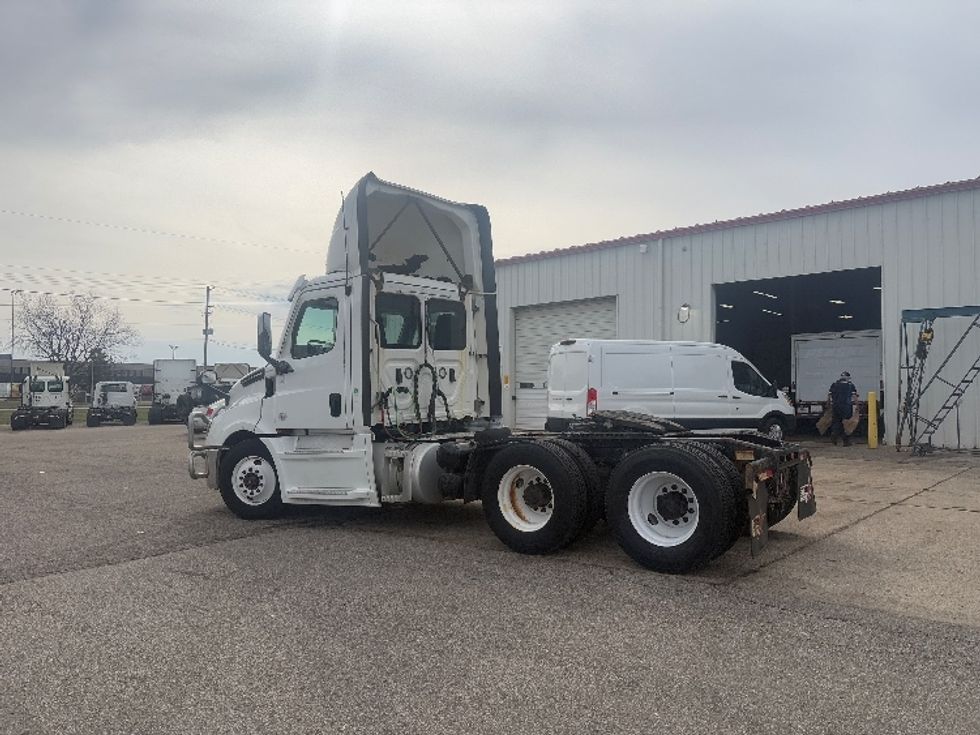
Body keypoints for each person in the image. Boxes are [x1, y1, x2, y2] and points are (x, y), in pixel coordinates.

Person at [827, 371, 859, 446]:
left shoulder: (834, 385)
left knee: (836, 422)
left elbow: (829, 396)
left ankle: (834, 434)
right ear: (848, 378)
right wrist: (857, 406)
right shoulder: (850, 386)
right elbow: (854, 397)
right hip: (846, 407)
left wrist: (828, 404)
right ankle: (846, 441)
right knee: (846, 424)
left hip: (836, 406)